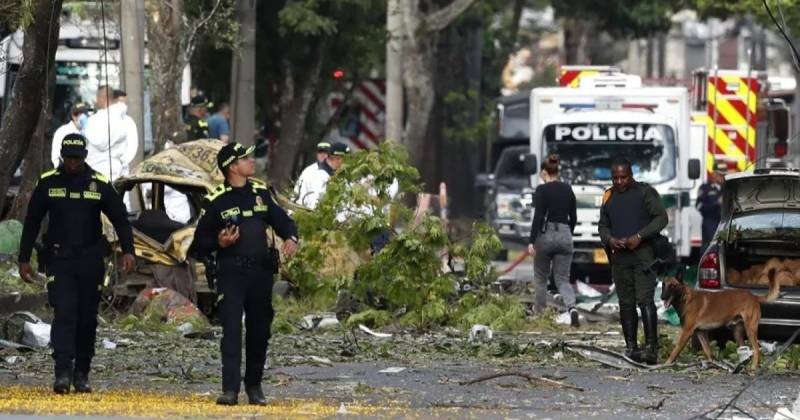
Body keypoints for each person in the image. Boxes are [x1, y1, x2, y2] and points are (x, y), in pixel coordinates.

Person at [18, 133, 136, 394]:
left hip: (90, 260)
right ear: (62, 157)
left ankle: (82, 372)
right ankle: (62, 372)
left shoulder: (98, 183)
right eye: (69, 158)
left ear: (84, 157)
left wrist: (129, 251)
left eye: (78, 158)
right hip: (59, 260)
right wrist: (24, 258)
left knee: (86, 318)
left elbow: (120, 219)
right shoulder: (48, 183)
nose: (73, 163)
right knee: (64, 313)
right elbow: (33, 220)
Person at [190, 142, 299, 406]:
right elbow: (198, 245)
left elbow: (282, 219)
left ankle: (254, 386)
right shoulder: (216, 200)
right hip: (231, 273)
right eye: (245, 158)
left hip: (261, 273)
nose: (252, 161)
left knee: (259, 331)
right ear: (232, 167)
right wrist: (220, 242)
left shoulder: (260, 192)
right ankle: (230, 390)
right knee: (231, 331)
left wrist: (291, 236)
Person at [598, 157, 668, 365]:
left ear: (631, 175)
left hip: (643, 257)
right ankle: (631, 346)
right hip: (620, 258)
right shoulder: (608, 196)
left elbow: (661, 218)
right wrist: (610, 239)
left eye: (623, 177)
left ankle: (651, 348)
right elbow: (602, 226)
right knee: (625, 302)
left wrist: (640, 236)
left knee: (645, 300)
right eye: (615, 178)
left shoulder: (645, 193)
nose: (619, 181)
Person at [527, 155, 579, 326]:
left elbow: (539, 217)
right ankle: (572, 307)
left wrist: (531, 241)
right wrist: (566, 234)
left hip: (546, 234)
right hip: (565, 234)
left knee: (541, 277)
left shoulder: (542, 190)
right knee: (563, 278)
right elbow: (574, 217)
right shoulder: (568, 189)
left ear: (544, 172)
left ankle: (540, 314)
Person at [83, 86, 139, 181]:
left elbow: (98, 142)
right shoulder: (125, 120)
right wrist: (122, 162)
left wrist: (85, 130)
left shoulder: (95, 120)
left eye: (97, 97)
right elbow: (132, 146)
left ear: (102, 98)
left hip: (97, 171)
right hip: (119, 171)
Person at [294, 142, 349, 209]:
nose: (346, 163)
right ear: (337, 158)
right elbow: (314, 206)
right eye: (345, 159)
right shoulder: (321, 177)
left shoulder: (330, 174)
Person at [697, 162, 726, 251]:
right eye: (720, 175)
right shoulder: (705, 188)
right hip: (710, 223)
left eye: (723, 175)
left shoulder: (727, 188)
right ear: (714, 174)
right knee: (710, 249)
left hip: (724, 223)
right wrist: (716, 203)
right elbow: (699, 206)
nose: (722, 177)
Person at [51, 102, 89, 168]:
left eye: (84, 114)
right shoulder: (63, 131)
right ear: (72, 116)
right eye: (77, 114)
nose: (81, 117)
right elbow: (56, 156)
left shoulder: (91, 130)